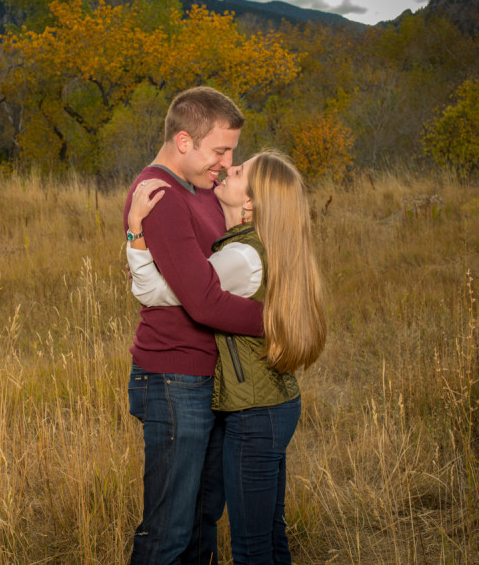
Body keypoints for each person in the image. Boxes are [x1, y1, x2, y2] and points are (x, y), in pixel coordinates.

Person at [127, 150, 327, 565]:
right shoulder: (259, 245)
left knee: (252, 547)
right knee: (271, 533)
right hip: (274, 404)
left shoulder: (240, 257)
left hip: (254, 413)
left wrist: (136, 238)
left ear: (251, 203)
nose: (226, 170)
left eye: (236, 172)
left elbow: (161, 294)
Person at [122, 87, 265, 565]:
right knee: (169, 532)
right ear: (184, 140)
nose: (226, 163)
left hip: (209, 377)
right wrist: (279, 324)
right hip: (174, 379)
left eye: (232, 153)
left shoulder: (202, 189)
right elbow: (202, 302)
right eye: (220, 150)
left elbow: (222, 270)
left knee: (202, 526)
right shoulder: (159, 195)